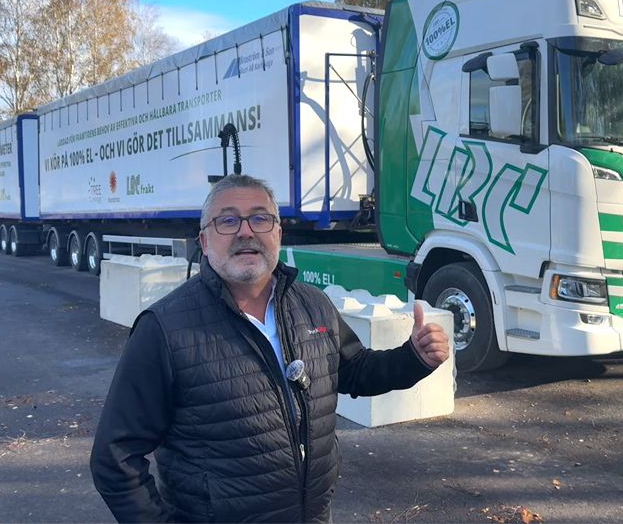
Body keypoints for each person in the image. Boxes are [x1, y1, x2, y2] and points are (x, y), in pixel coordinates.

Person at [90, 174, 450, 523]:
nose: (246, 231)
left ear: (277, 233)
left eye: (260, 218)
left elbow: (355, 371)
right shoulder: (165, 329)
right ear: (203, 241)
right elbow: (115, 457)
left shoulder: (313, 305)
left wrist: (413, 358)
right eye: (228, 220)